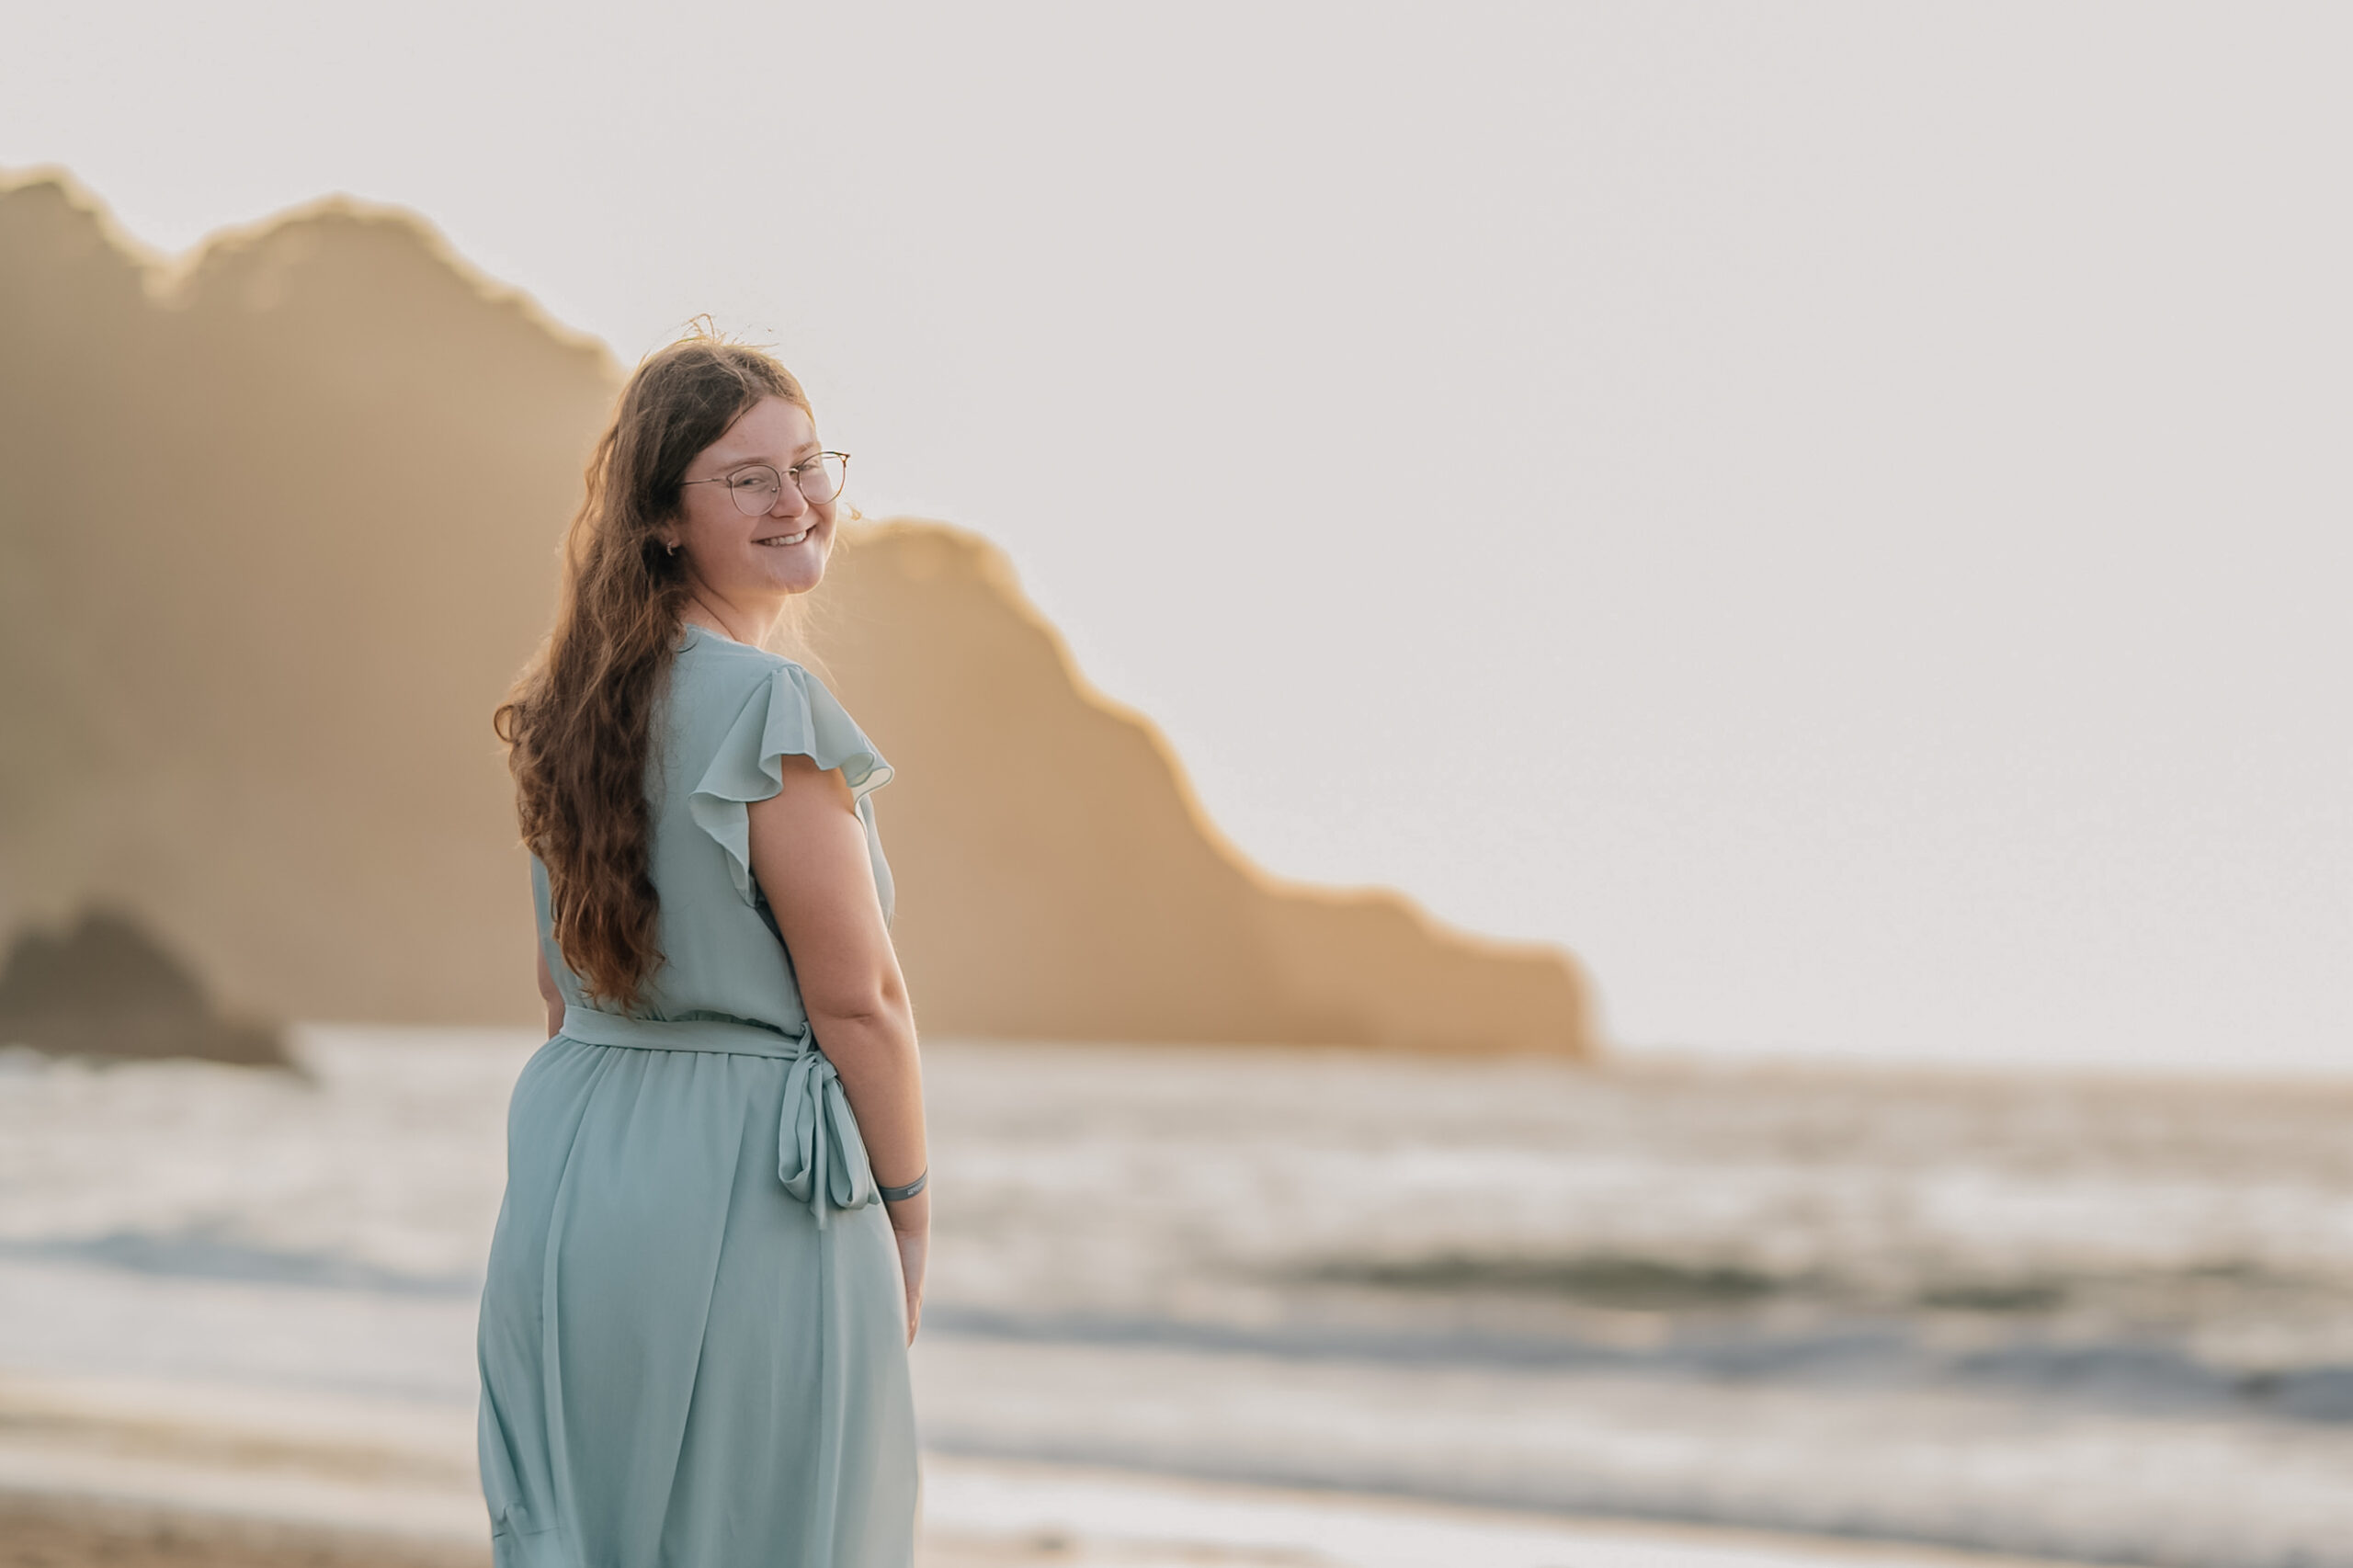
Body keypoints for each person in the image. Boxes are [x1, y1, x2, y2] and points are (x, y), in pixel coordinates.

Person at [477, 335, 926, 1566]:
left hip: (575, 1173)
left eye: (807, 462)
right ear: (667, 519)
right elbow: (863, 1001)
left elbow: (558, 989)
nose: (797, 499)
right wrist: (909, 1214)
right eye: (749, 478)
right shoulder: (768, 710)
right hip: (752, 1186)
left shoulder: (566, 708)